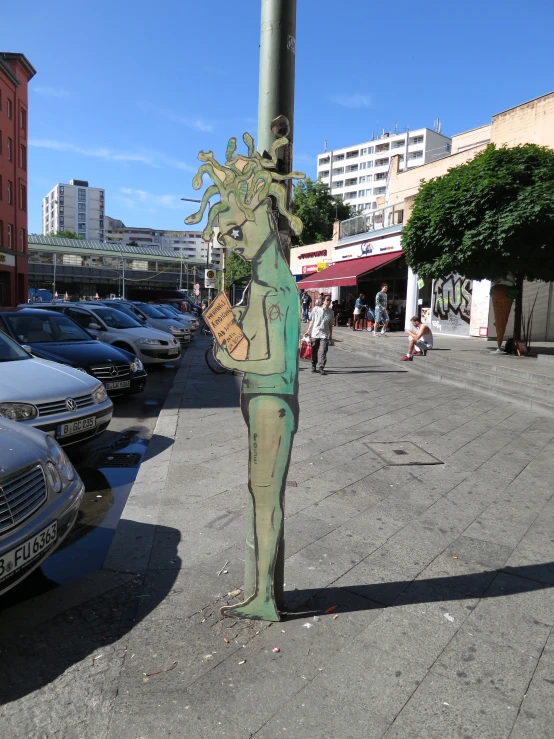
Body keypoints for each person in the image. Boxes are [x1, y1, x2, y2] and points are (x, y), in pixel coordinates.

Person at [305, 294, 334, 375]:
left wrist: (331, 336)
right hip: (315, 333)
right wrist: (308, 331)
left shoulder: (331, 312)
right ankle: (313, 365)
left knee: (323, 351)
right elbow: (312, 321)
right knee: (314, 351)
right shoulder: (316, 309)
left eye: (330, 300)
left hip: (324, 334)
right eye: (328, 300)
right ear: (323, 301)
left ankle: (321, 367)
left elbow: (330, 325)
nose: (329, 301)